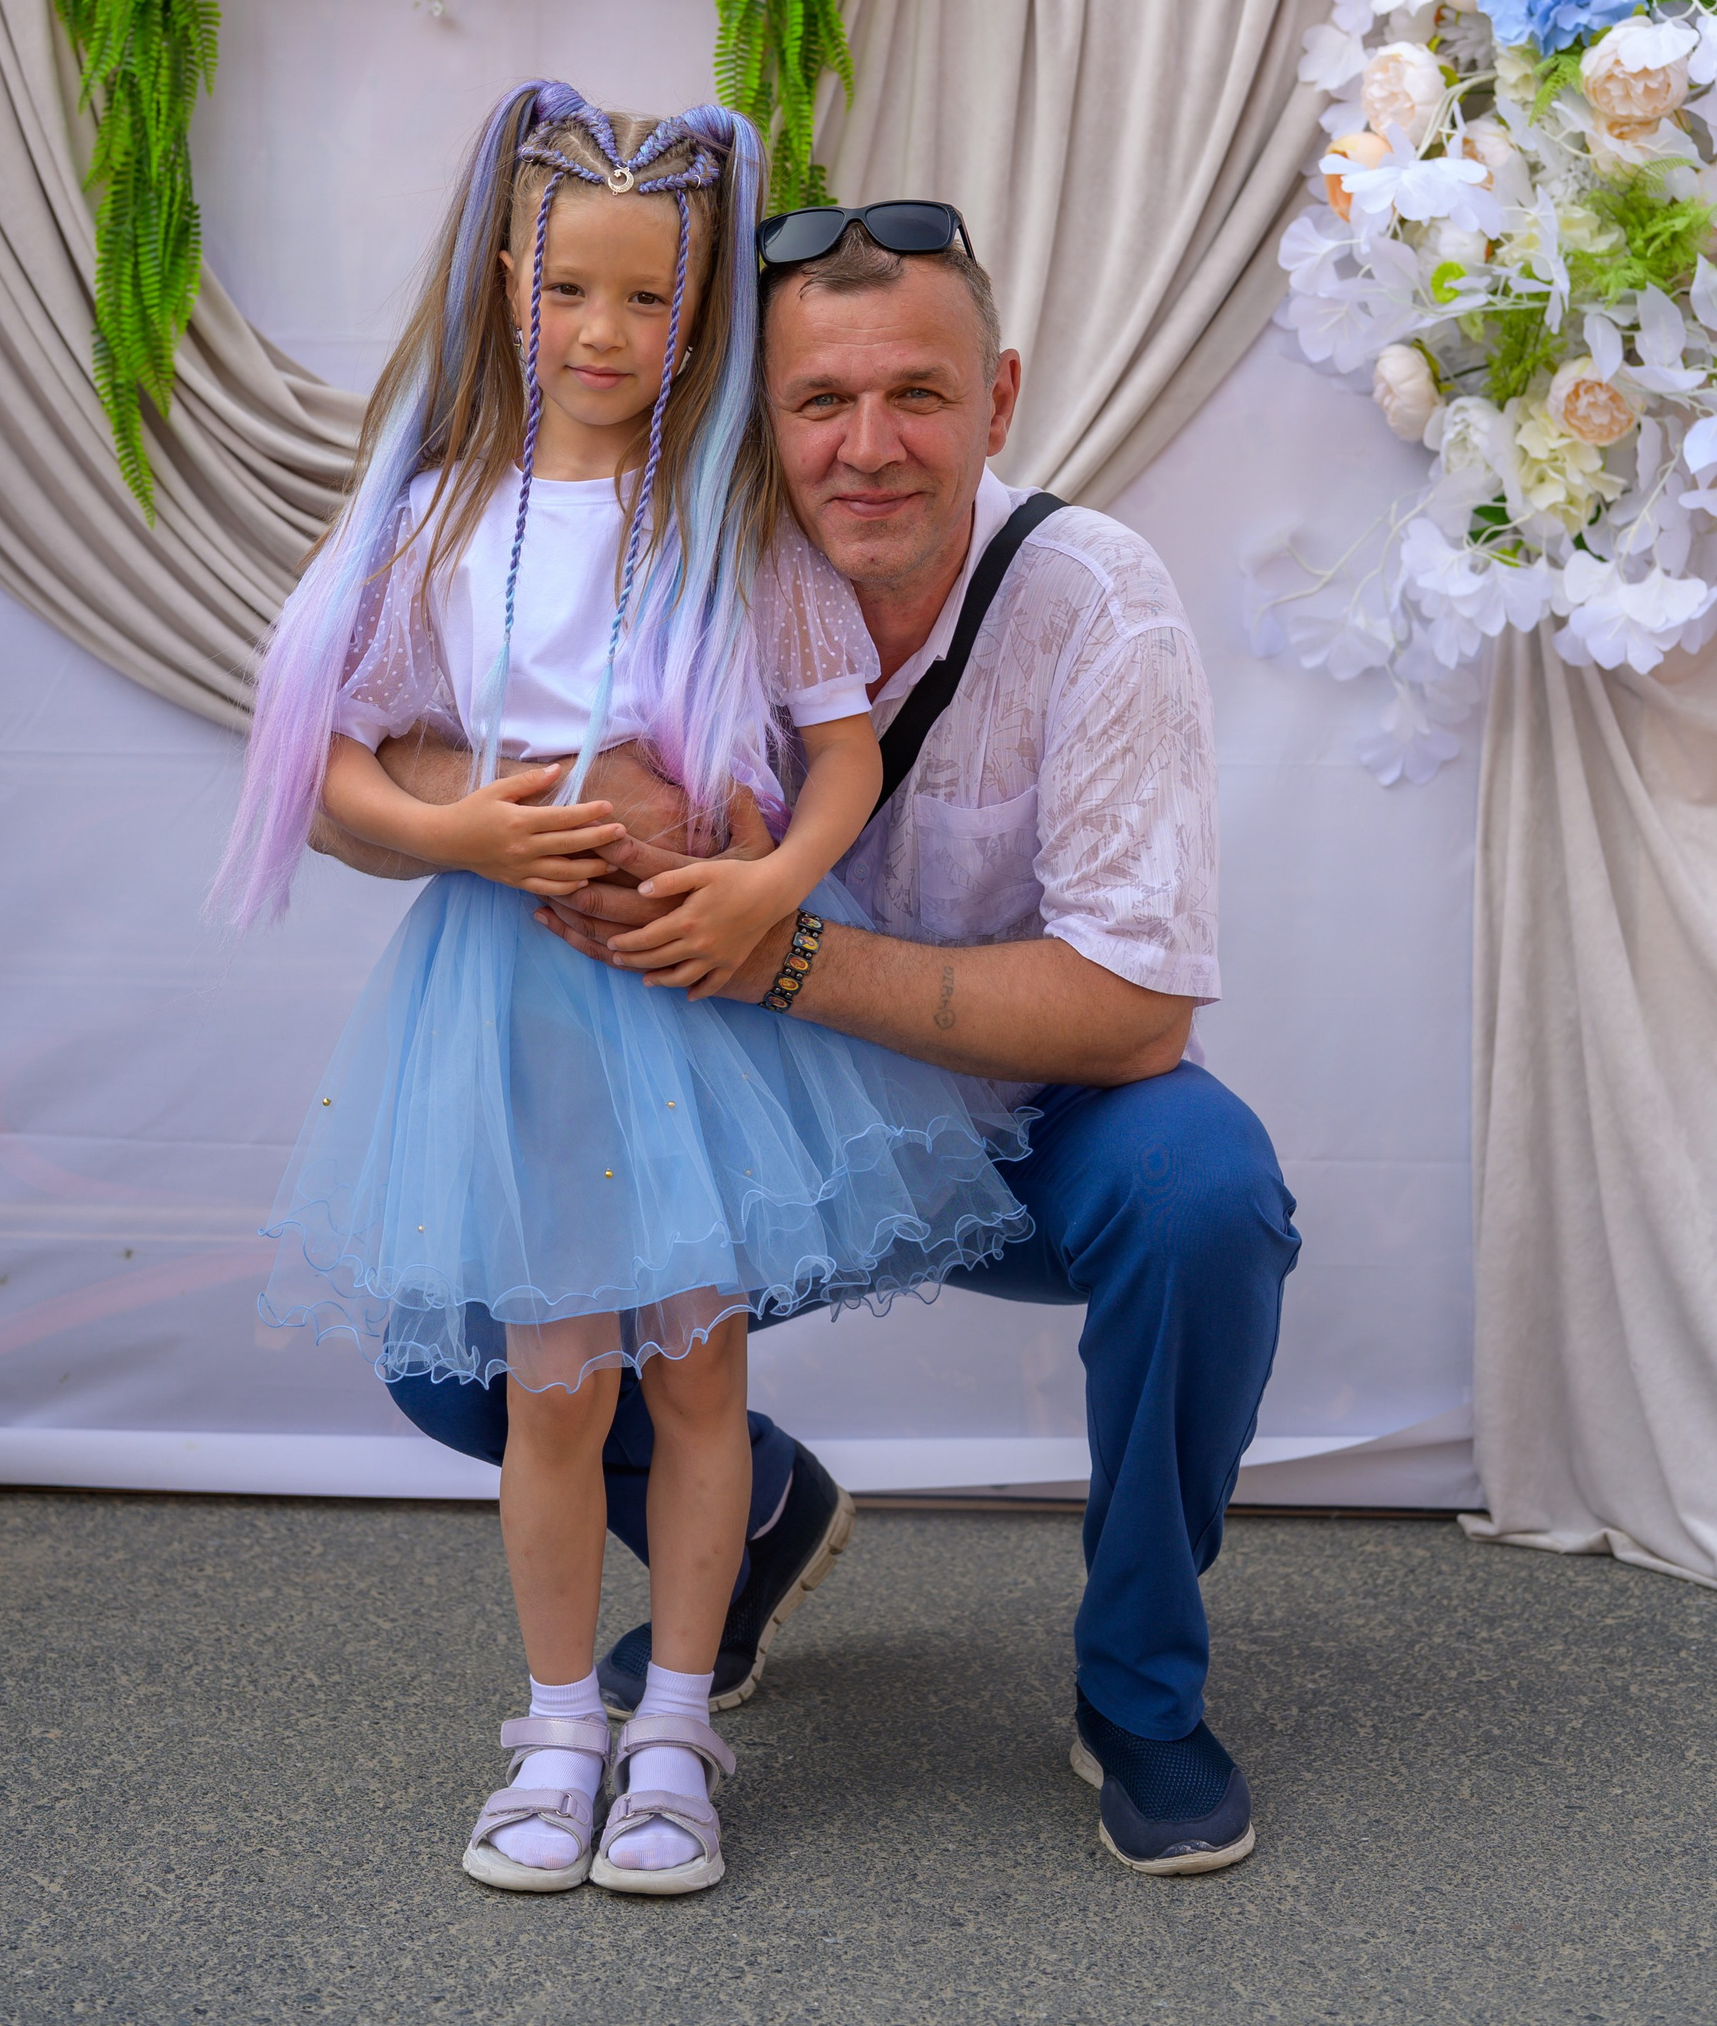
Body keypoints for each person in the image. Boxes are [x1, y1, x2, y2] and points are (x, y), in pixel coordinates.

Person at [334, 194, 1303, 1879]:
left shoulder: (1099, 597)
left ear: (1000, 398)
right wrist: (528, 802)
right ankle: (761, 1520)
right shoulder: (671, 552)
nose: (868, 445)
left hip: (1032, 1122)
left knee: (1205, 1193)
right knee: (457, 1346)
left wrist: (778, 952)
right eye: (819, 400)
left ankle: (1141, 1683)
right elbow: (368, 751)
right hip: (745, 1126)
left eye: (918, 393)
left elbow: (1140, 1010)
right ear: (750, 412)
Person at [216, 87, 1036, 1899]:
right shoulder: (441, 516)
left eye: (651, 297)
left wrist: (770, 880)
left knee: (697, 1377)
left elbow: (840, 751)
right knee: (554, 1392)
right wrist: (456, 833)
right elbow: (331, 751)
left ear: (702, 311)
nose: (605, 333)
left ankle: (677, 1725)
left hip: (685, 998)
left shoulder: (730, 520)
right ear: (507, 282)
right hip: (510, 1003)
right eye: (569, 289)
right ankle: (555, 1724)